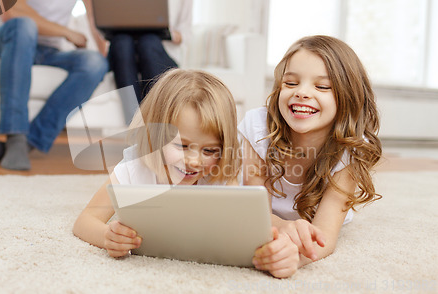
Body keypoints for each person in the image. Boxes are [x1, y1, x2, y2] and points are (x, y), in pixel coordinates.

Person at [73, 69, 300, 278]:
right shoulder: (133, 169)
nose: (194, 161)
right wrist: (107, 237)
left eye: (210, 150)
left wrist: (280, 253)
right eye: (181, 146)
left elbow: (244, 235)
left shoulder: (221, 174)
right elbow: (84, 221)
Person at [240, 35, 382, 272]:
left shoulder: (351, 148)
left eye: (322, 86)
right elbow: (257, 216)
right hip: (267, 214)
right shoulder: (258, 127)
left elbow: (325, 235)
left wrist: (294, 259)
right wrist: (283, 229)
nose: (302, 93)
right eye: (291, 83)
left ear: (349, 97)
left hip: (315, 218)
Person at [0, 0, 109, 171]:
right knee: (24, 25)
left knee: (95, 63)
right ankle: (15, 136)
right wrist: (66, 32)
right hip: (10, 41)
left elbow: (93, 18)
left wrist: (105, 54)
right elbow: (13, 11)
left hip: (49, 51)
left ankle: (26, 143)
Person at [108, 0, 192, 123]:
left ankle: (155, 122)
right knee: (121, 42)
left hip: (159, 52)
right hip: (126, 53)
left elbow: (186, 34)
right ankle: (134, 124)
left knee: (148, 41)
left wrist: (166, 32)